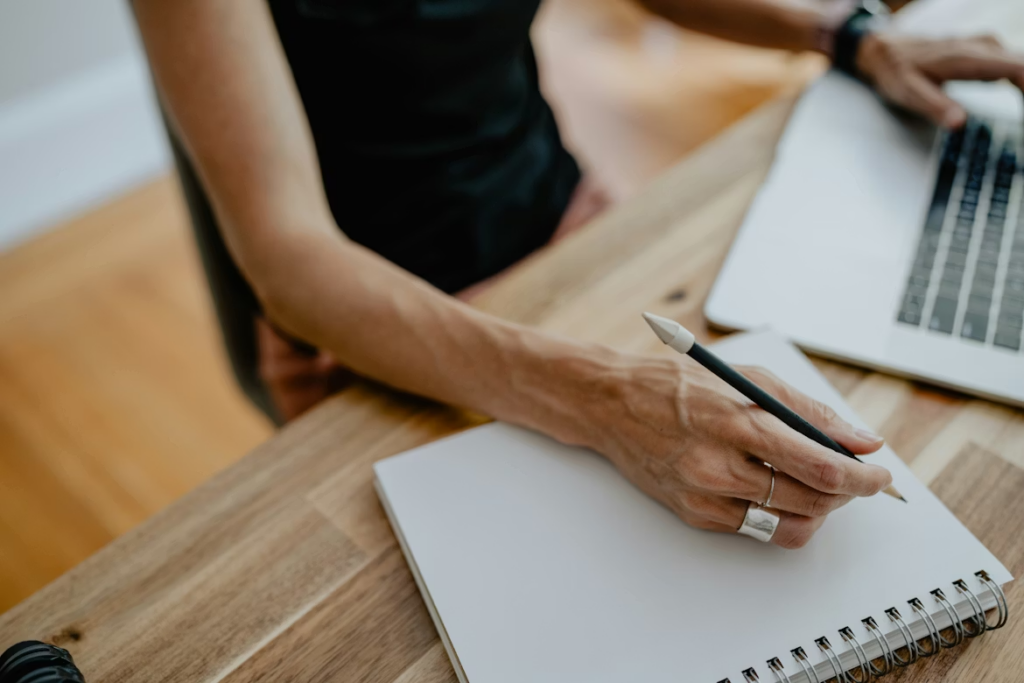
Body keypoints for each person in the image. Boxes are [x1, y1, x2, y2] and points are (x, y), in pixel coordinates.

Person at [131, 0, 1024, 548]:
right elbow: (290, 256)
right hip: (378, 331)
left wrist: (844, 33)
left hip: (566, 220)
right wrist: (607, 398)